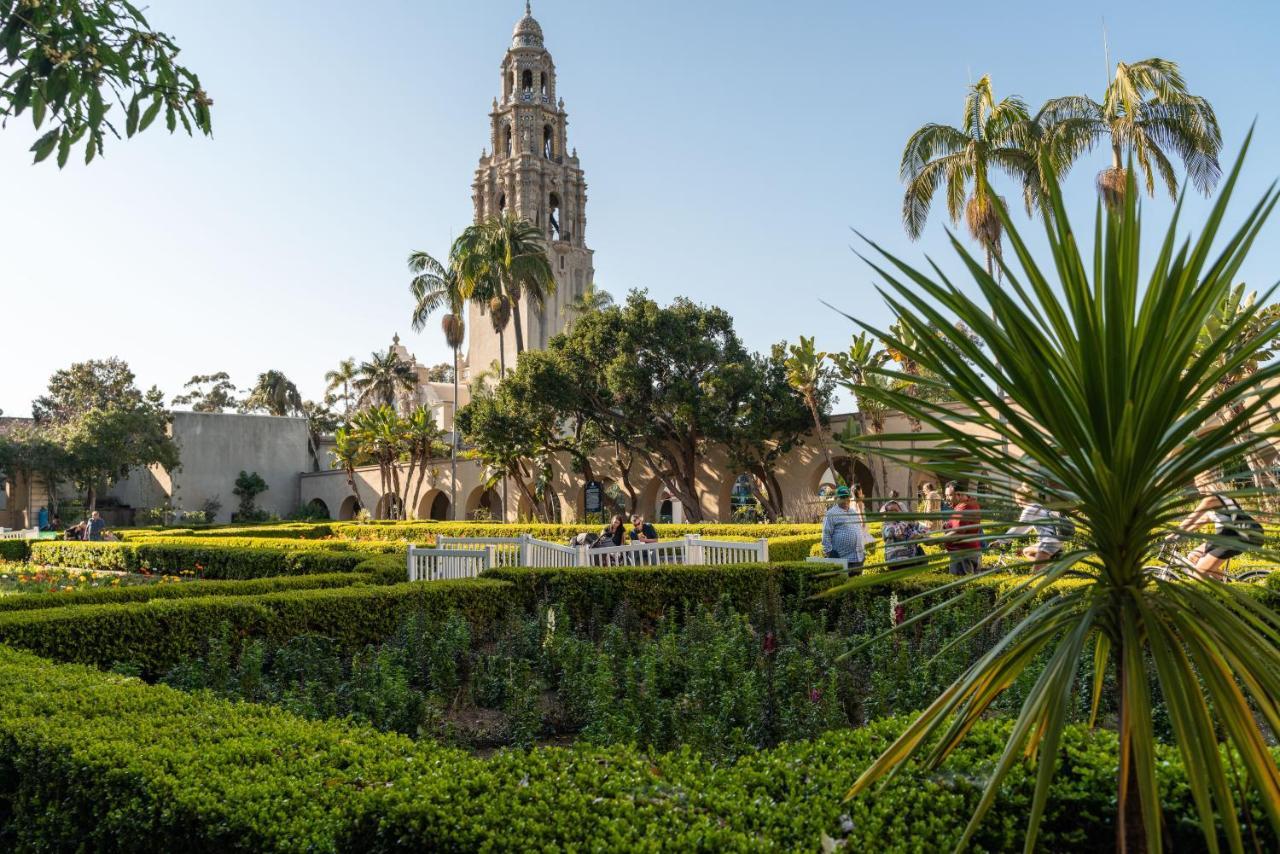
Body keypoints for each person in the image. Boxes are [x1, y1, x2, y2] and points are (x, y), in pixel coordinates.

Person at [1168, 470, 1262, 580]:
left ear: (1205, 482)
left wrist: (1172, 534)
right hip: (1225, 538)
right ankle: (1225, 582)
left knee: (1197, 576)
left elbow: (1191, 518)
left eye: (1197, 482)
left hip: (1234, 539)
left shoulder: (1212, 499)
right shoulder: (1220, 498)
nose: (1196, 485)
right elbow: (1198, 523)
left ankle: (1225, 592)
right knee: (1193, 557)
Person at [997, 484, 1066, 571]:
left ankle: (1045, 571)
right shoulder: (1038, 506)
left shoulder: (1029, 510)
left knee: (1035, 576)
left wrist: (999, 541)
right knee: (1027, 551)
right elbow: (1026, 528)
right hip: (1057, 540)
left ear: (1019, 499)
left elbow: (1018, 529)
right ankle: (1048, 569)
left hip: (1049, 543)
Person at [941, 481, 982, 575]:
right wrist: (948, 524)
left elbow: (957, 533)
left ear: (959, 494)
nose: (946, 499)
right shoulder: (972, 502)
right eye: (946, 495)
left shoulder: (963, 507)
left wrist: (934, 541)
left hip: (962, 555)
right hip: (973, 551)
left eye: (949, 495)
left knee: (960, 587)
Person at [822, 485, 867, 570]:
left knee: (858, 581)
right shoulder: (831, 514)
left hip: (858, 557)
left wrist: (863, 551)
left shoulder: (853, 512)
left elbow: (859, 531)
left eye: (847, 497)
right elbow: (826, 535)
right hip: (843, 559)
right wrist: (830, 555)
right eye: (842, 497)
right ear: (837, 498)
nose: (845, 500)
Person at [880, 498, 929, 567]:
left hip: (911, 559)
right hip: (896, 562)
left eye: (896, 510)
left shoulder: (908, 522)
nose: (894, 513)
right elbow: (898, 532)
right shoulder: (886, 526)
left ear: (901, 510)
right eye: (890, 511)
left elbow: (923, 529)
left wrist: (921, 533)